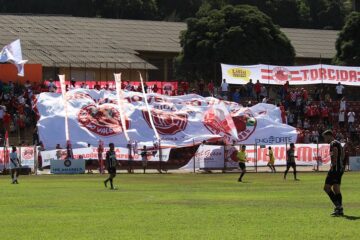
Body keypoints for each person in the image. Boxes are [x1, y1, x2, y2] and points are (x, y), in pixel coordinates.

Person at [322, 130, 345, 216]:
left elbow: (335, 151)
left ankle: (338, 207)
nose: (325, 139)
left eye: (325, 137)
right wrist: (340, 163)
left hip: (335, 169)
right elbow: (342, 155)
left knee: (326, 188)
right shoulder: (338, 143)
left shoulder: (333, 143)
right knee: (336, 188)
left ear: (329, 136)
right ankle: (340, 210)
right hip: (340, 169)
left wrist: (334, 164)